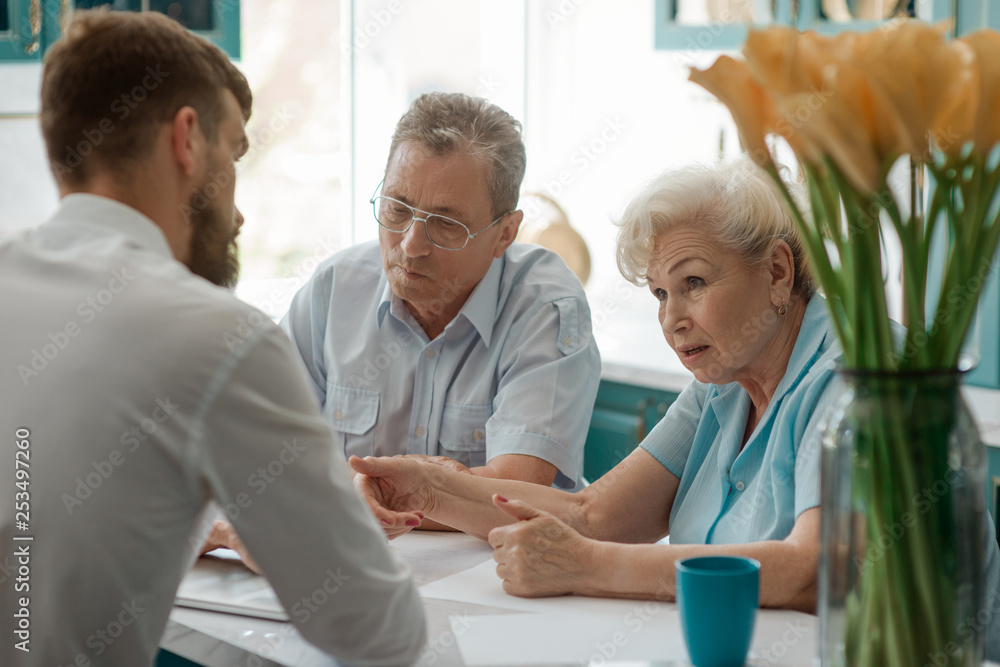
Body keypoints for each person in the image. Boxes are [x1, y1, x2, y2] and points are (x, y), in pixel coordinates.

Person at [0, 10, 424, 667]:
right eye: (235, 153)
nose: (239, 208)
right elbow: (376, 627)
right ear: (188, 140)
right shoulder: (218, 338)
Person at [348, 157, 865, 610]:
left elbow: (813, 569)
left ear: (777, 273)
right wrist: (428, 489)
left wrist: (590, 566)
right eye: (661, 293)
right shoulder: (722, 383)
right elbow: (594, 516)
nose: (672, 319)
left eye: (694, 283)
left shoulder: (857, 376)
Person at [281, 92, 600, 492]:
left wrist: (362, 489)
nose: (412, 244)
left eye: (446, 224)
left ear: (505, 234)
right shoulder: (334, 289)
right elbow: (265, 447)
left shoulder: (545, 308)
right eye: (397, 209)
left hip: (497, 555)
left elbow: (515, 489)